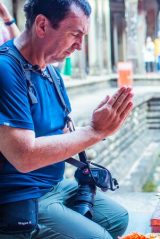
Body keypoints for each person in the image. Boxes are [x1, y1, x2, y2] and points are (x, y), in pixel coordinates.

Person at [0, 1, 133, 238]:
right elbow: (23, 156)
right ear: (42, 25)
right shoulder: (5, 70)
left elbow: (62, 133)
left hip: (55, 184)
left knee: (117, 219)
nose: (80, 46)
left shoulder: (51, 73)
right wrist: (93, 131)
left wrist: (100, 124)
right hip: (21, 195)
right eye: (75, 34)